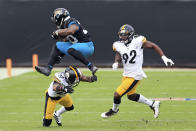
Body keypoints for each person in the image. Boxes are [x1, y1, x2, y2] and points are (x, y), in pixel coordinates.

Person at [101, 24, 174, 119]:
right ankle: (153, 103)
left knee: (117, 94)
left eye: (125, 35)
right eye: (121, 35)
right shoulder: (118, 44)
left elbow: (153, 46)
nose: (122, 37)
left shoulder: (138, 41)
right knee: (131, 96)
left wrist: (164, 57)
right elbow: (119, 52)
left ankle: (114, 111)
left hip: (135, 75)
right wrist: (116, 62)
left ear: (131, 34)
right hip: (126, 74)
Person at [35, 8, 98, 76]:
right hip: (78, 46)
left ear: (59, 18)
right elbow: (65, 42)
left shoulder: (70, 21)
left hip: (87, 46)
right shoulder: (64, 26)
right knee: (58, 45)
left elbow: (71, 30)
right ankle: (48, 69)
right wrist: (59, 55)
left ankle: (91, 66)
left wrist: (58, 32)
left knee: (70, 50)